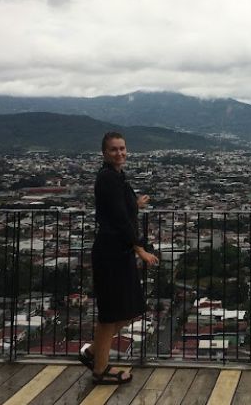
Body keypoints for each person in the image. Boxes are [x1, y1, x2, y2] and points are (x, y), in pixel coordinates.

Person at [79, 131, 158, 384]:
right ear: (104, 152)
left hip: (117, 252)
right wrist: (140, 248)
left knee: (125, 311)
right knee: (112, 314)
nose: (119, 153)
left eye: (122, 148)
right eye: (114, 149)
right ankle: (100, 369)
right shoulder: (108, 178)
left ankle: (93, 352)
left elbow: (121, 209)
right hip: (112, 253)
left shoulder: (115, 176)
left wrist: (135, 204)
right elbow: (120, 220)